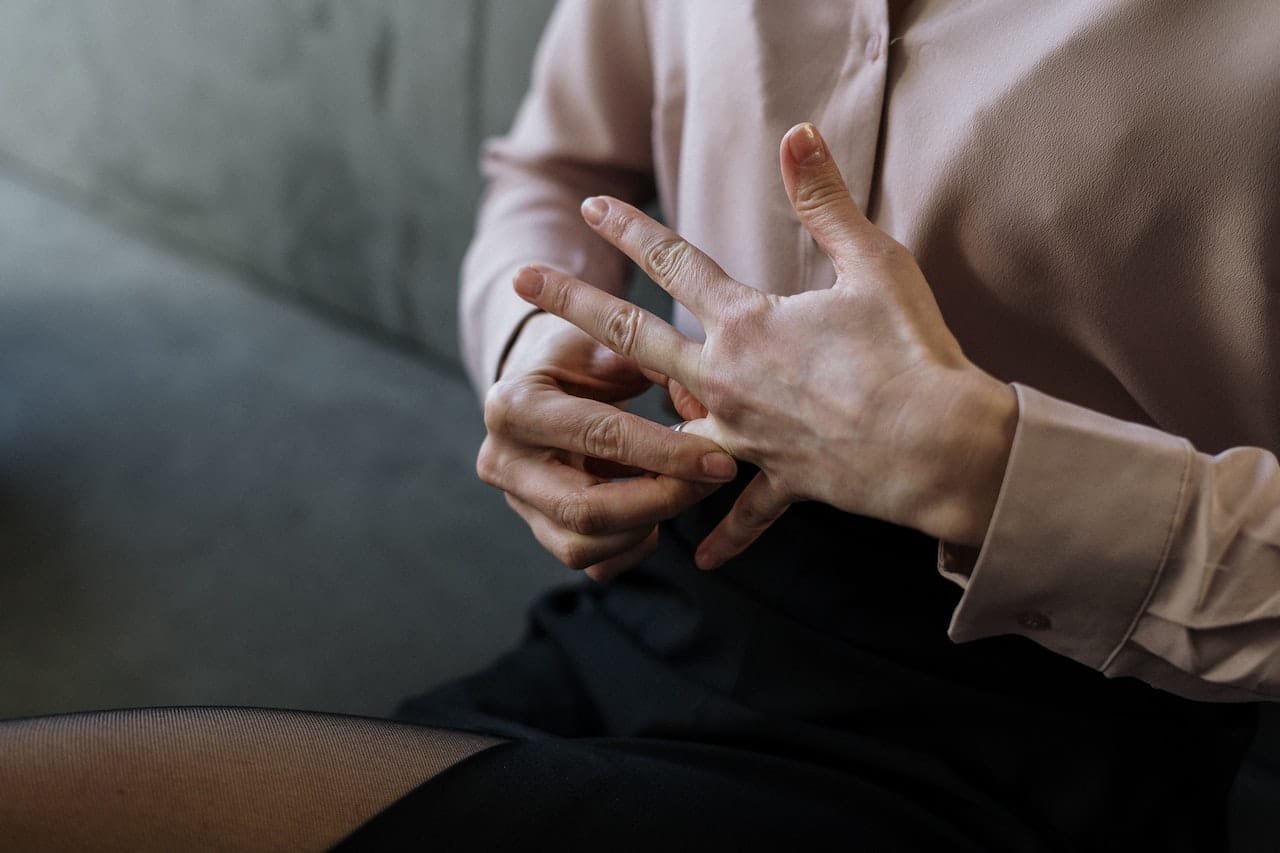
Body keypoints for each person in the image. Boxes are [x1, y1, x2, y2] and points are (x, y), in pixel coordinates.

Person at [2, 1, 1276, 850]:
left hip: (1049, 736)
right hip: (659, 606)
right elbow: (552, 169)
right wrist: (531, 353)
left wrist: (987, 470)